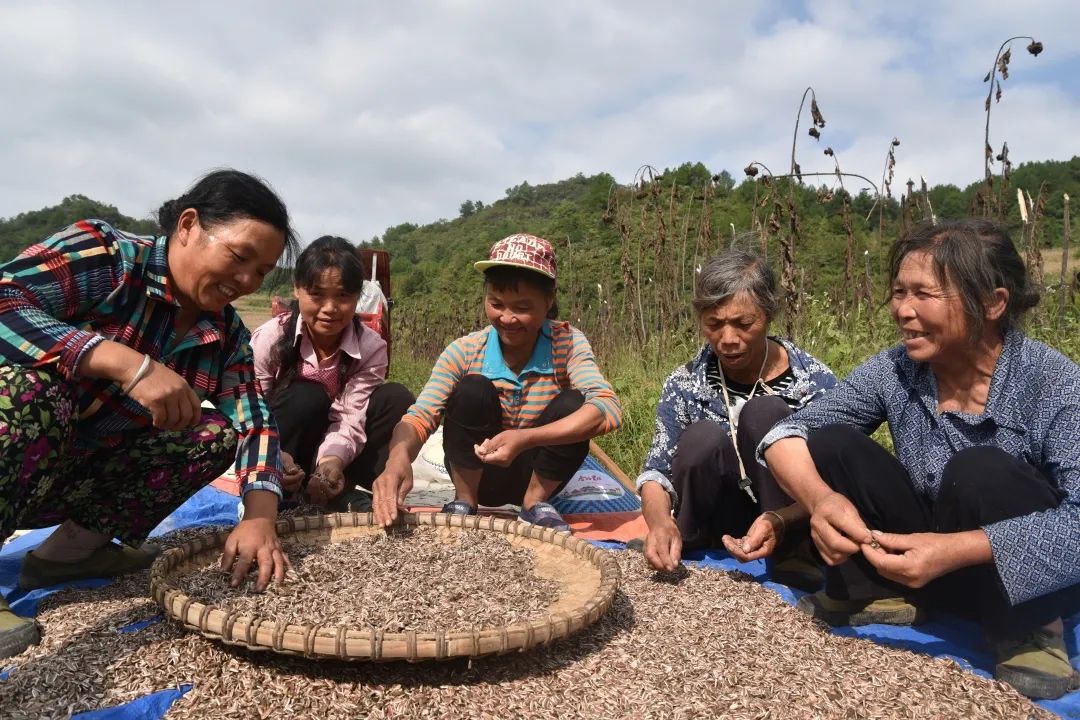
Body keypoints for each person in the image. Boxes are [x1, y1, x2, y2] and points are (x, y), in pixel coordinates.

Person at [760, 218, 1080, 700]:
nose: (902, 311)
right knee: (829, 441)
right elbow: (785, 434)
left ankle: (1031, 631)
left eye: (923, 295)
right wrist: (821, 501)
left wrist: (958, 548)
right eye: (898, 292)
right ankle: (883, 591)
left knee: (980, 468)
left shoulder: (1052, 383)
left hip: (1010, 581)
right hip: (921, 563)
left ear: (993, 304)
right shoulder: (898, 368)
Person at [0, 170, 297, 660]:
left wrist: (261, 514)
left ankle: (67, 554)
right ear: (187, 225)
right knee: (31, 390)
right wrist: (126, 364)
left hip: (62, 476)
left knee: (214, 434)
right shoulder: (108, 258)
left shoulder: (221, 334)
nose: (246, 282)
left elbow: (253, 417)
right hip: (17, 448)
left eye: (261, 272)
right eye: (240, 257)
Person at [371, 233, 622, 532]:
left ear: (549, 301)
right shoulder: (464, 351)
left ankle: (534, 504)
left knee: (574, 404)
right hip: (478, 471)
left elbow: (607, 407)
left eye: (522, 307)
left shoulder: (567, 344)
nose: (507, 318)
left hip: (537, 474)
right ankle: (466, 500)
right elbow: (421, 414)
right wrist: (398, 458)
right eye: (496, 303)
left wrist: (526, 438)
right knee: (472, 390)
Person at [636, 248, 836, 589]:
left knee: (766, 413)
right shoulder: (685, 383)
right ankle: (688, 539)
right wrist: (659, 523)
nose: (727, 340)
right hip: (715, 520)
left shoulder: (812, 382)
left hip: (788, 520)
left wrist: (780, 520)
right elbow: (656, 470)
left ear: (769, 315)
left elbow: (832, 482)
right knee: (702, 437)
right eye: (713, 325)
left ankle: (791, 557)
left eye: (744, 324)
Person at [250, 236, 414, 511]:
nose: (330, 308)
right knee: (307, 395)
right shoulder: (271, 337)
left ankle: (335, 487)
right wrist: (276, 454)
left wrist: (332, 462)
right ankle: (278, 487)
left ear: (356, 297)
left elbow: (351, 415)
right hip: (282, 444)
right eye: (317, 295)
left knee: (395, 398)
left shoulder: (371, 347)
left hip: (339, 448)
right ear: (298, 290)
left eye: (342, 296)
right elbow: (252, 409)